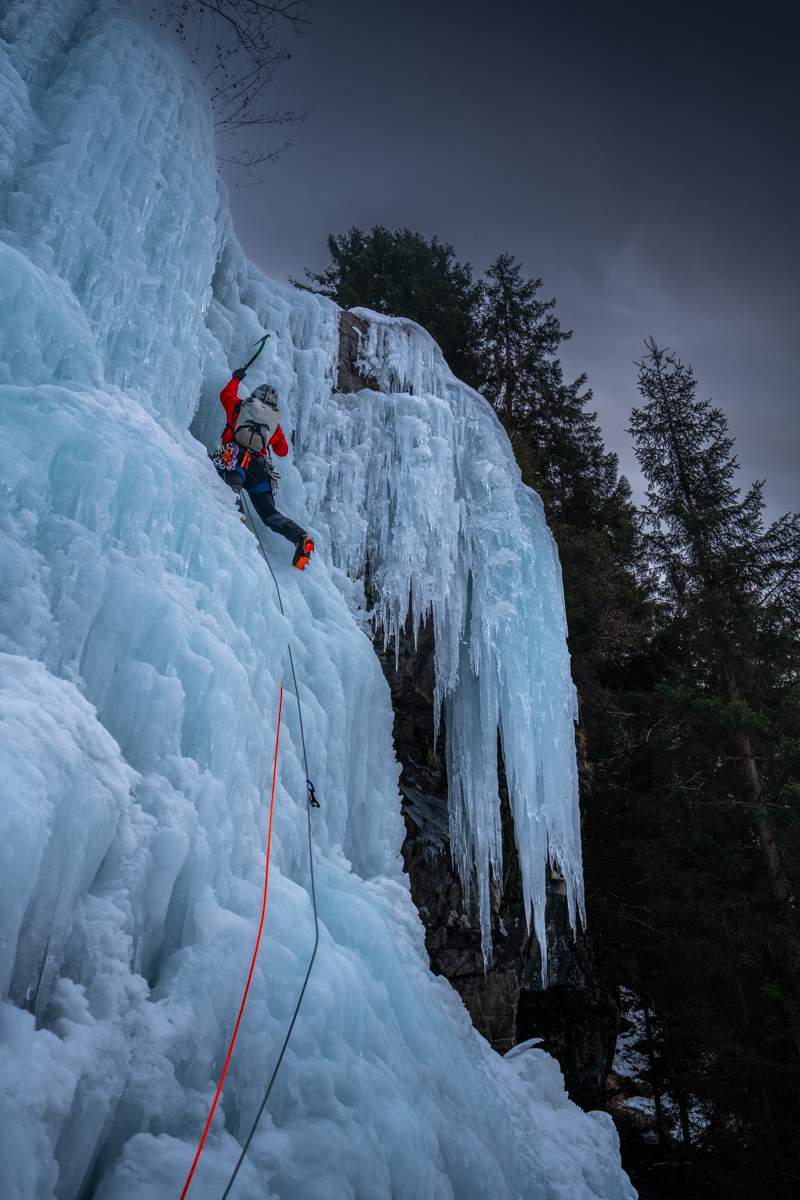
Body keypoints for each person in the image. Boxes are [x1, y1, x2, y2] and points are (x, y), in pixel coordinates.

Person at [212, 366, 314, 570]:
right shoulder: (273, 423)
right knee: (269, 513)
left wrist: (236, 379)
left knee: (232, 488)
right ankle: (300, 537)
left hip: (235, 458)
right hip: (259, 469)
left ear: (253, 397)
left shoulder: (239, 406)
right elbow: (282, 450)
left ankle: (236, 523)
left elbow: (225, 395)